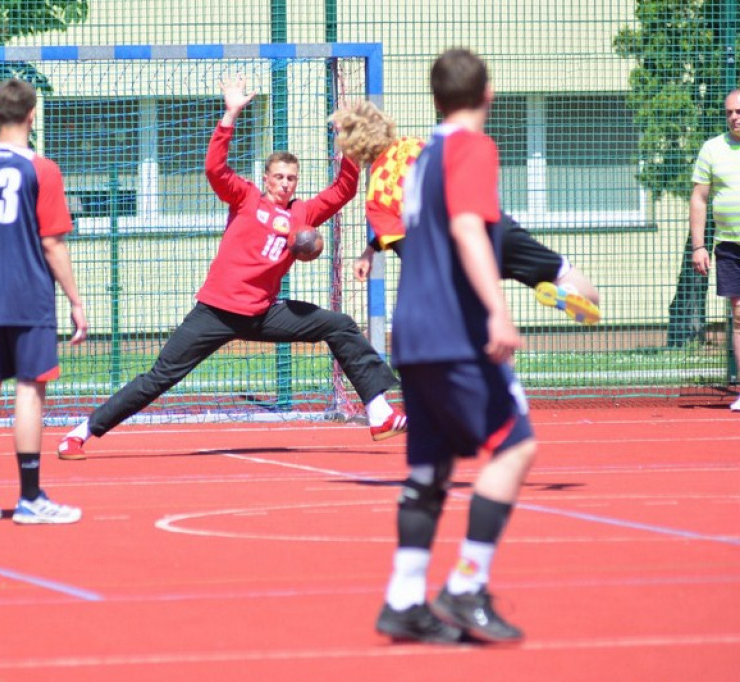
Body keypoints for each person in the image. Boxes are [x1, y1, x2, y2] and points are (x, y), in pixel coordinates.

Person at [57, 75, 407, 460]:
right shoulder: (245, 198)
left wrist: (348, 146)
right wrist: (230, 115)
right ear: (266, 178)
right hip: (216, 312)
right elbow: (215, 169)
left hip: (262, 313)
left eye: (292, 179)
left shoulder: (303, 214)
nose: (285, 184)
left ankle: (378, 412)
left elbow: (344, 190)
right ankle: (79, 433)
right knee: (159, 378)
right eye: (279, 177)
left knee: (339, 325)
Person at [371, 48, 537, 644]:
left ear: (435, 98)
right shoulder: (473, 148)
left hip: (413, 332)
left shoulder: (420, 160)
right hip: (452, 329)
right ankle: (466, 585)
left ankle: (403, 599)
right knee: (515, 448)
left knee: (430, 469)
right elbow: (468, 227)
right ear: (487, 93)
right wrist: (498, 311)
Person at [331, 101, 601, 324]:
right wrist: (371, 249)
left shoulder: (377, 195)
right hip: (491, 224)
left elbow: (412, 248)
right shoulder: (416, 145)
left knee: (479, 327)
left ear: (351, 146)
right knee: (585, 293)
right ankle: (568, 291)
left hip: (461, 252)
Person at [0, 78, 88, 524]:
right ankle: (30, 498)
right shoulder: (42, 170)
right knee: (30, 391)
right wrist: (75, 300)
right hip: (29, 297)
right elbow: (52, 243)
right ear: (33, 115)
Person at [690, 88, 740, 412]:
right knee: (739, 316)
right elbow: (699, 198)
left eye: (739, 111)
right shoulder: (712, 148)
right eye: (729, 112)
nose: (734, 117)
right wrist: (699, 246)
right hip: (729, 246)